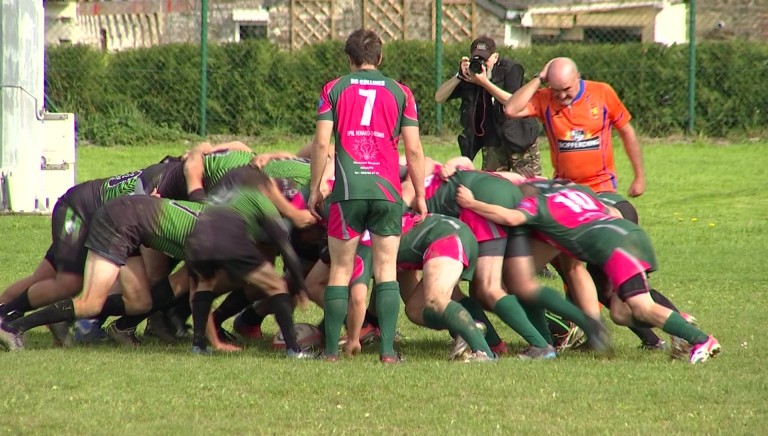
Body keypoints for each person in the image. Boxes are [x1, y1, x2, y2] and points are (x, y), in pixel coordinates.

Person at [456, 182, 721, 364]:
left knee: (641, 306)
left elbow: (511, 217)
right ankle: (678, 323)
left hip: (616, 248)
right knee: (620, 313)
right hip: (627, 234)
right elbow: (608, 212)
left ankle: (700, 340)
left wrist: (472, 202)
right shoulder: (577, 195)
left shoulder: (537, 205)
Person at [308, 28, 427, 363]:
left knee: (340, 271)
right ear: (380, 57)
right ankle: (388, 352)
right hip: (387, 192)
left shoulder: (334, 88)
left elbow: (321, 143)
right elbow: (414, 149)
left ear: (349, 59)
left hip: (348, 191)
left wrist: (315, 187)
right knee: (387, 269)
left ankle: (331, 352)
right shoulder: (402, 92)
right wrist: (419, 193)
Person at [434, 36, 541, 175]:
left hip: (520, 138)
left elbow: (513, 102)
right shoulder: (471, 76)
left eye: (486, 60)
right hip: (492, 141)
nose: (482, 64)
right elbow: (439, 97)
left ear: (496, 57)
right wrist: (459, 76)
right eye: (477, 59)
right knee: (494, 186)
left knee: (528, 185)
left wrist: (485, 83)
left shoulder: (510, 70)